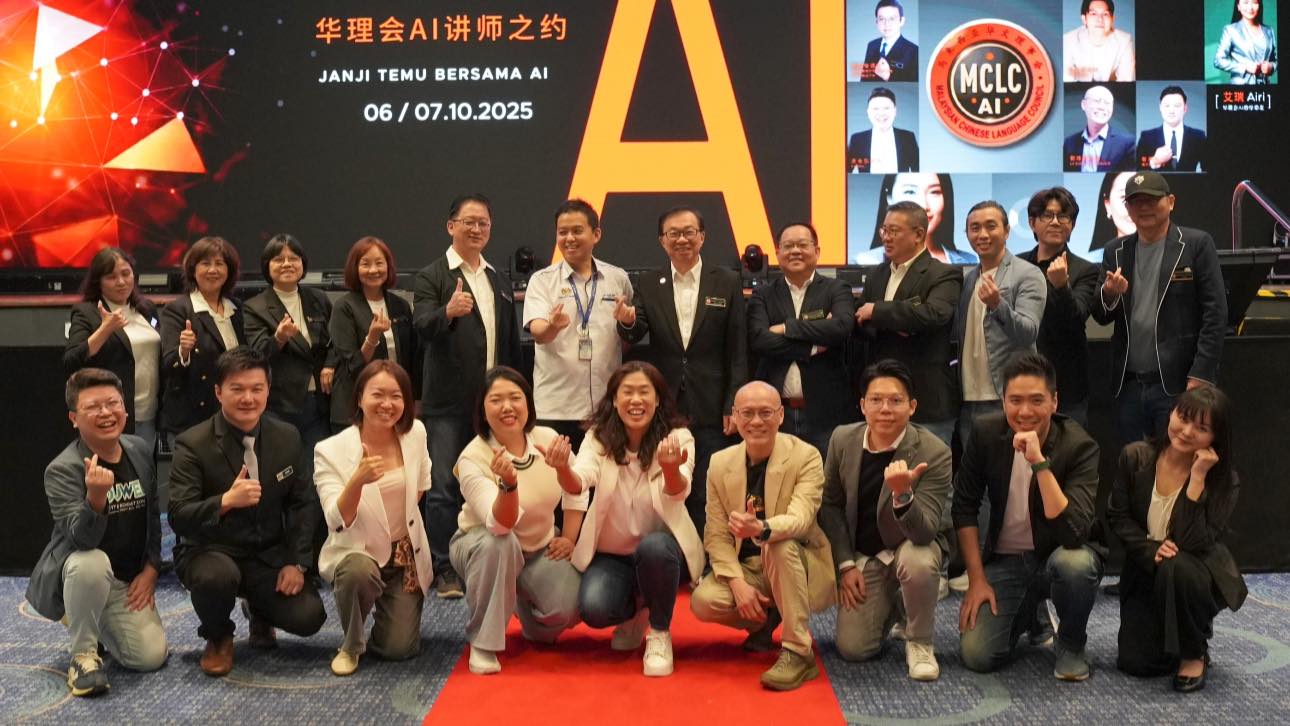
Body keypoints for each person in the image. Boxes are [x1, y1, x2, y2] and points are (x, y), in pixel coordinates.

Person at [168, 347, 325, 676]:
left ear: (268, 390)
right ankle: (218, 636)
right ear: (218, 392)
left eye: (257, 388)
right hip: (211, 550)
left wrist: (297, 562)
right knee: (216, 578)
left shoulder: (286, 437)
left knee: (309, 617)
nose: (248, 398)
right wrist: (225, 501)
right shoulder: (192, 443)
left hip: (266, 555)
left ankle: (259, 611)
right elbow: (178, 515)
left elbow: (301, 503)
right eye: (237, 389)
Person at [547, 361, 703, 677]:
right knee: (594, 608)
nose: (636, 400)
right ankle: (639, 611)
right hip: (613, 555)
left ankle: (659, 632)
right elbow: (579, 481)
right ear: (615, 400)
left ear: (658, 399)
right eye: (627, 392)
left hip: (663, 554)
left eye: (644, 392)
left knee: (654, 548)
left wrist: (671, 469)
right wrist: (562, 468)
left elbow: (679, 491)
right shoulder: (598, 437)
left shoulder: (678, 436)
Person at [954, 352, 1103, 680]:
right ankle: (1029, 614)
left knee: (1076, 564)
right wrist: (976, 579)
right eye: (1015, 401)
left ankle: (1071, 643)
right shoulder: (985, 433)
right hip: (1006, 560)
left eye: (1036, 400)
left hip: (1057, 555)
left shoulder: (1079, 446)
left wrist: (1039, 463)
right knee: (977, 655)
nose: (1024, 412)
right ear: (1003, 401)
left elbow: (1073, 533)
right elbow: (964, 506)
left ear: (1054, 401)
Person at [26, 369, 167, 697]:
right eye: (93, 407)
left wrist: (151, 568)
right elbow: (82, 540)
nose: (106, 413)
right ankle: (83, 656)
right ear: (74, 418)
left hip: (126, 578)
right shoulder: (63, 469)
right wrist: (96, 499)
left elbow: (153, 517)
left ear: (125, 409)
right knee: (90, 561)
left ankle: (87, 612)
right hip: (84, 570)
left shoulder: (138, 449)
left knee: (149, 657)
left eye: (113, 403)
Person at [690, 381, 835, 691]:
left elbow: (800, 519)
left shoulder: (806, 456)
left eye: (766, 413)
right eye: (747, 413)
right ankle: (767, 618)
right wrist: (738, 585)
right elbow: (716, 536)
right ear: (734, 417)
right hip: (750, 569)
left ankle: (798, 652)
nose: (756, 421)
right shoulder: (719, 462)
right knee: (704, 601)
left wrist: (762, 529)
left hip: (798, 560)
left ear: (781, 416)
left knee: (777, 545)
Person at [413, 193, 522, 599]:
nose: (476, 229)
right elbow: (421, 326)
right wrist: (447, 312)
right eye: (468, 222)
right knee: (443, 485)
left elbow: (509, 342)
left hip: (493, 404)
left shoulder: (497, 278)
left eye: (483, 223)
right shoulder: (432, 276)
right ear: (451, 226)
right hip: (447, 403)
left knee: (496, 479)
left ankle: (487, 557)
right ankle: (444, 568)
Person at [616, 206, 747, 537]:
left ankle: (710, 553)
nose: (682, 239)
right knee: (667, 483)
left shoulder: (727, 280)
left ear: (702, 237)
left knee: (710, 485)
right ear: (662, 241)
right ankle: (670, 553)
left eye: (689, 232)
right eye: (673, 233)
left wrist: (733, 402)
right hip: (665, 404)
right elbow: (635, 330)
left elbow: (738, 349)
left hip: (713, 404)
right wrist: (627, 321)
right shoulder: (649, 282)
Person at [817, 360, 951, 680]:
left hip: (911, 547)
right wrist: (846, 565)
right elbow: (830, 505)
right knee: (853, 649)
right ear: (863, 405)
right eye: (876, 400)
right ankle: (897, 606)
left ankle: (920, 641)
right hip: (868, 557)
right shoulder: (842, 439)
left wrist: (903, 495)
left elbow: (925, 533)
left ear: (912, 407)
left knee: (918, 559)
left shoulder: (934, 451)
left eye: (895, 400)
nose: (885, 409)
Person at [1108, 386, 1247, 692]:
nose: (1186, 431)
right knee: (1138, 664)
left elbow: (1193, 542)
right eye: (1182, 418)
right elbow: (1117, 517)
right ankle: (1173, 632)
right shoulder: (1135, 456)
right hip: (1148, 565)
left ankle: (1194, 650)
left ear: (1216, 437)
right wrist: (1151, 549)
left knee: (1176, 564)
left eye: (1201, 428)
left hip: (1194, 571)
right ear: (1171, 413)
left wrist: (1197, 478)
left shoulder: (1224, 479)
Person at [450, 367, 587, 675]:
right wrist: (509, 485)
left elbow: (578, 489)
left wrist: (569, 537)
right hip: (482, 544)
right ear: (483, 410)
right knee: (500, 544)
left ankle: (521, 609)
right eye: (496, 400)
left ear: (528, 403)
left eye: (515, 398)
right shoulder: (472, 458)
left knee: (573, 606)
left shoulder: (547, 438)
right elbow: (499, 525)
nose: (507, 407)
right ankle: (483, 643)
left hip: (538, 546)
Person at [314, 360, 433, 676]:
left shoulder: (416, 433)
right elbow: (336, 520)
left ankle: (387, 615)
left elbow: (421, 487)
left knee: (399, 649)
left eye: (396, 396)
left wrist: (393, 530)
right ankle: (351, 644)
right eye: (377, 395)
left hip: (404, 553)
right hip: (359, 551)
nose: (387, 404)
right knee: (358, 571)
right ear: (359, 398)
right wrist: (357, 481)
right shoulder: (330, 449)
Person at [1091, 172, 1227, 445]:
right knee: (1133, 460)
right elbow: (1101, 316)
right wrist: (1109, 293)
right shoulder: (1115, 250)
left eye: (1152, 200)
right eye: (1135, 201)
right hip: (1129, 385)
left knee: (1177, 459)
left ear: (1171, 202)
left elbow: (1215, 313)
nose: (1143, 207)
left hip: (1179, 384)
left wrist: (1200, 374)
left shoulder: (1196, 244)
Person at [524, 199, 633, 449]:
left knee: (605, 474)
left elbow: (628, 335)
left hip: (607, 406)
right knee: (556, 473)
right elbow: (539, 334)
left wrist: (627, 323)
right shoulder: (542, 280)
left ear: (596, 234)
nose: (569, 238)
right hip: (556, 406)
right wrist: (553, 326)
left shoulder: (618, 278)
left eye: (577, 231)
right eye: (562, 232)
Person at [855, 201, 962, 446]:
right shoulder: (877, 274)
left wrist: (877, 311)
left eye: (894, 231)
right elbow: (860, 320)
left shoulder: (943, 273)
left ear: (918, 235)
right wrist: (901, 322)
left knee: (930, 468)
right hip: (882, 401)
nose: (886, 237)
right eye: (884, 230)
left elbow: (933, 315)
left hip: (927, 402)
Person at [747, 221, 857, 456]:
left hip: (826, 414)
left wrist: (786, 327)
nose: (795, 251)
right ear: (778, 253)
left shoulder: (836, 289)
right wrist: (812, 346)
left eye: (802, 245)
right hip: (776, 414)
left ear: (817, 251)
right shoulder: (763, 295)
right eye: (788, 246)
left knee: (828, 478)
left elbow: (841, 328)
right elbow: (759, 339)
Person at [953, 201, 1046, 447]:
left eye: (990, 226)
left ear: (1006, 231)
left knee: (1012, 469)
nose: (982, 234)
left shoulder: (1027, 274)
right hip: (968, 400)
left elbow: (1028, 332)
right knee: (972, 469)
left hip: (1006, 398)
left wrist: (997, 304)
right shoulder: (968, 279)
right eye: (975, 228)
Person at [243, 234, 333, 471]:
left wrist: (330, 365)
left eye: (293, 258)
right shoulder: (255, 306)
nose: (287, 264)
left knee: (318, 471)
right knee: (281, 471)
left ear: (303, 264)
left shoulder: (318, 299)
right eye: (278, 259)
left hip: (319, 403)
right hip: (280, 406)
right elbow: (257, 354)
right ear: (267, 266)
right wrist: (279, 338)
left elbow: (335, 341)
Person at [1017, 188, 1100, 427]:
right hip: (1021, 379)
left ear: (1072, 225)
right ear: (1032, 223)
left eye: (1063, 216)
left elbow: (1076, 319)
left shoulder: (1086, 270)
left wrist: (1062, 286)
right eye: (1047, 215)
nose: (1055, 222)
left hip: (1066, 387)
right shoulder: (1017, 265)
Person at [63, 247, 161, 448]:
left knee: (145, 467)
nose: (121, 282)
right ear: (98, 281)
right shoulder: (87, 312)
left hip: (151, 413)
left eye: (126, 274)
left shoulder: (146, 309)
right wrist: (105, 329)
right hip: (113, 414)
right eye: (111, 277)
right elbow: (71, 360)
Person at [328, 237, 417, 433]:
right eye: (365, 264)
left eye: (379, 263)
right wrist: (372, 337)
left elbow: (410, 357)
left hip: (393, 406)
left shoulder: (400, 305)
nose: (373, 270)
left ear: (388, 266)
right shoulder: (344, 307)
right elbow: (352, 365)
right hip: (354, 407)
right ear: (355, 268)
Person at [159, 236, 245, 437]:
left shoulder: (237, 308)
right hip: (193, 418)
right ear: (193, 269)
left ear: (229, 270)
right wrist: (183, 351)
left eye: (219, 264)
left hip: (233, 411)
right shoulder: (178, 310)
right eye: (205, 263)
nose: (213, 270)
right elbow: (168, 365)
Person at [858, 174, 977, 265]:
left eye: (934, 192)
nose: (924, 205)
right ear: (889, 197)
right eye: (910, 192)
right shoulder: (865, 261)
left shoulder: (970, 261)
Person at [1062, 85, 1136, 172]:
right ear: (1083, 105)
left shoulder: (1128, 143)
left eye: (1107, 103)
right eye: (1096, 101)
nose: (1102, 107)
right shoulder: (1069, 143)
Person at [1136, 87, 1208, 172]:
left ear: (1185, 108)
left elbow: (1209, 169)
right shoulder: (1147, 137)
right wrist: (1154, 161)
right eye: (1167, 106)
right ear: (1160, 108)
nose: (1171, 111)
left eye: (1177, 106)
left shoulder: (1198, 136)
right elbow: (1136, 168)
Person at [847, 87, 919, 174]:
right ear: (868, 112)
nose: (881, 113)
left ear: (895, 111)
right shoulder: (857, 140)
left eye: (886, 108)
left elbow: (918, 171)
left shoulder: (908, 138)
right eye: (876, 109)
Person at [1063, 0, 1135, 82]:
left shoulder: (1124, 41)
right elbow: (1067, 78)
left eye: (1105, 14)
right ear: (1084, 19)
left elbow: (1126, 79)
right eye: (1093, 14)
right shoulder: (1068, 40)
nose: (1100, 19)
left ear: (1112, 19)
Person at [1214, 0, 1277, 85]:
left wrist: (1271, 67)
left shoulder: (1269, 30)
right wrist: (1245, 67)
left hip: (1264, 89)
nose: (1250, 7)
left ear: (1259, 5)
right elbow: (1218, 60)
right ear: (1238, 6)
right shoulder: (1230, 30)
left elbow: (1275, 60)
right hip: (1240, 87)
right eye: (1245, 2)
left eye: (1254, 2)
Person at [861, 0, 918, 82]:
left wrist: (888, 77)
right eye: (881, 19)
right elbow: (864, 80)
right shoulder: (872, 45)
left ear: (902, 21)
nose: (886, 24)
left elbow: (915, 83)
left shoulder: (914, 51)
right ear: (876, 22)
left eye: (892, 19)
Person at [1089, 171, 1137, 251]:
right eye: (1123, 197)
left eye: (1142, 197)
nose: (1134, 207)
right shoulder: (1092, 259)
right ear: (1107, 205)